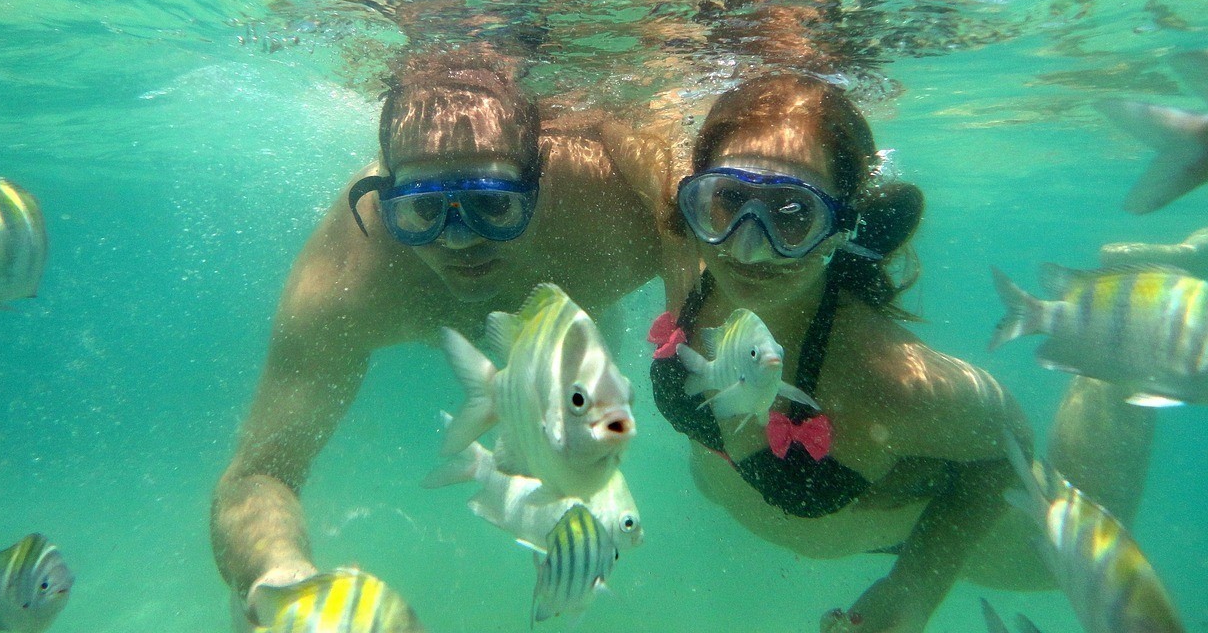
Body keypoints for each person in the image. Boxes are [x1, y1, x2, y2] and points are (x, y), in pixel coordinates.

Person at [629, 72, 1151, 633]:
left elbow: (1006, 448)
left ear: (841, 226)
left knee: (1092, 548)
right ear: (695, 201)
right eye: (729, 200)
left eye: (792, 213)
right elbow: (640, 140)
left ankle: (1130, 319)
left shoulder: (885, 377)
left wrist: (914, 587)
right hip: (803, 517)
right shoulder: (693, 261)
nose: (748, 245)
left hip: (918, 528)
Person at [210, 47, 664, 627]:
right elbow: (259, 471)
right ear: (383, 198)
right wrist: (284, 578)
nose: (458, 241)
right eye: (423, 211)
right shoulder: (346, 277)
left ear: (541, 184)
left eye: (494, 204)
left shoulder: (610, 209)